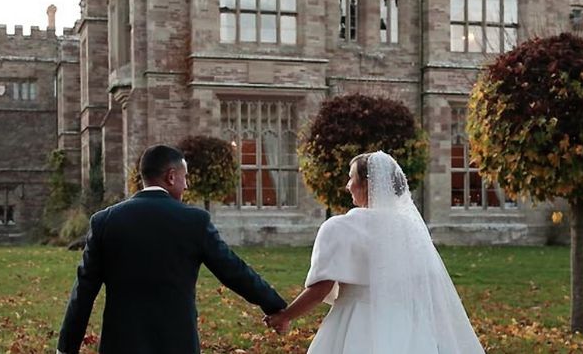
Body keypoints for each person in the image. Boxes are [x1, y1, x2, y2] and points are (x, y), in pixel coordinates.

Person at [57, 144, 287, 354]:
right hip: (177, 343)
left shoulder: (104, 221)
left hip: (121, 344)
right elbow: (234, 271)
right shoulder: (194, 221)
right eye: (185, 177)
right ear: (171, 176)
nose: (186, 185)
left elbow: (84, 291)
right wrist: (276, 306)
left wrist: (66, 348)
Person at [266, 151, 485, 354]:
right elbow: (425, 285)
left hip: (354, 322)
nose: (347, 185)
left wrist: (286, 315)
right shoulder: (411, 230)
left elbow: (320, 288)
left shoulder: (339, 228)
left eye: (351, 178)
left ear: (367, 184)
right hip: (405, 326)